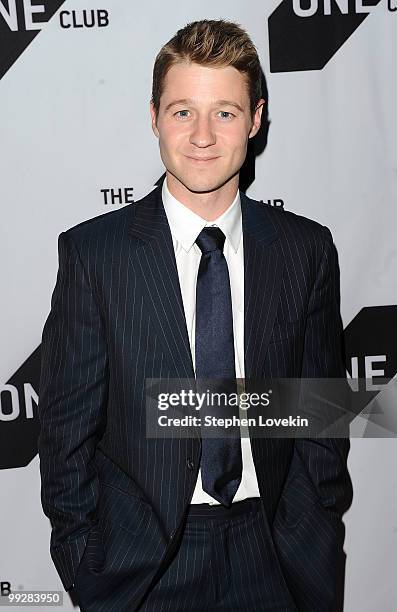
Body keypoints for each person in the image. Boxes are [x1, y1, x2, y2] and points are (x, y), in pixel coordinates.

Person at [38, 19, 352, 612]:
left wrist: (317, 528)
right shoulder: (95, 255)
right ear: (153, 117)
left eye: (226, 113)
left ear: (256, 119)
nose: (203, 135)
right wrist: (87, 564)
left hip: (276, 554)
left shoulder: (305, 249)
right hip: (142, 568)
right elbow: (65, 437)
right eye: (183, 111)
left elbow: (319, 412)